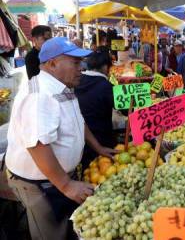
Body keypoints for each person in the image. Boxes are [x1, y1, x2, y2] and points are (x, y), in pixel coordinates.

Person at [5, 37, 116, 240]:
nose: (81, 68)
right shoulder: (40, 96)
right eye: (75, 62)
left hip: (56, 178)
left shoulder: (63, 88)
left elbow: (78, 122)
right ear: (53, 63)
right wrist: (66, 185)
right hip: (39, 185)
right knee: (51, 234)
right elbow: (37, 144)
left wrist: (98, 147)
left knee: (66, 227)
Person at [75, 51, 116, 170]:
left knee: (88, 171)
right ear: (104, 67)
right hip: (101, 139)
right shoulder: (106, 86)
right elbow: (125, 109)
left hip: (82, 139)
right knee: (102, 169)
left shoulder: (77, 81)